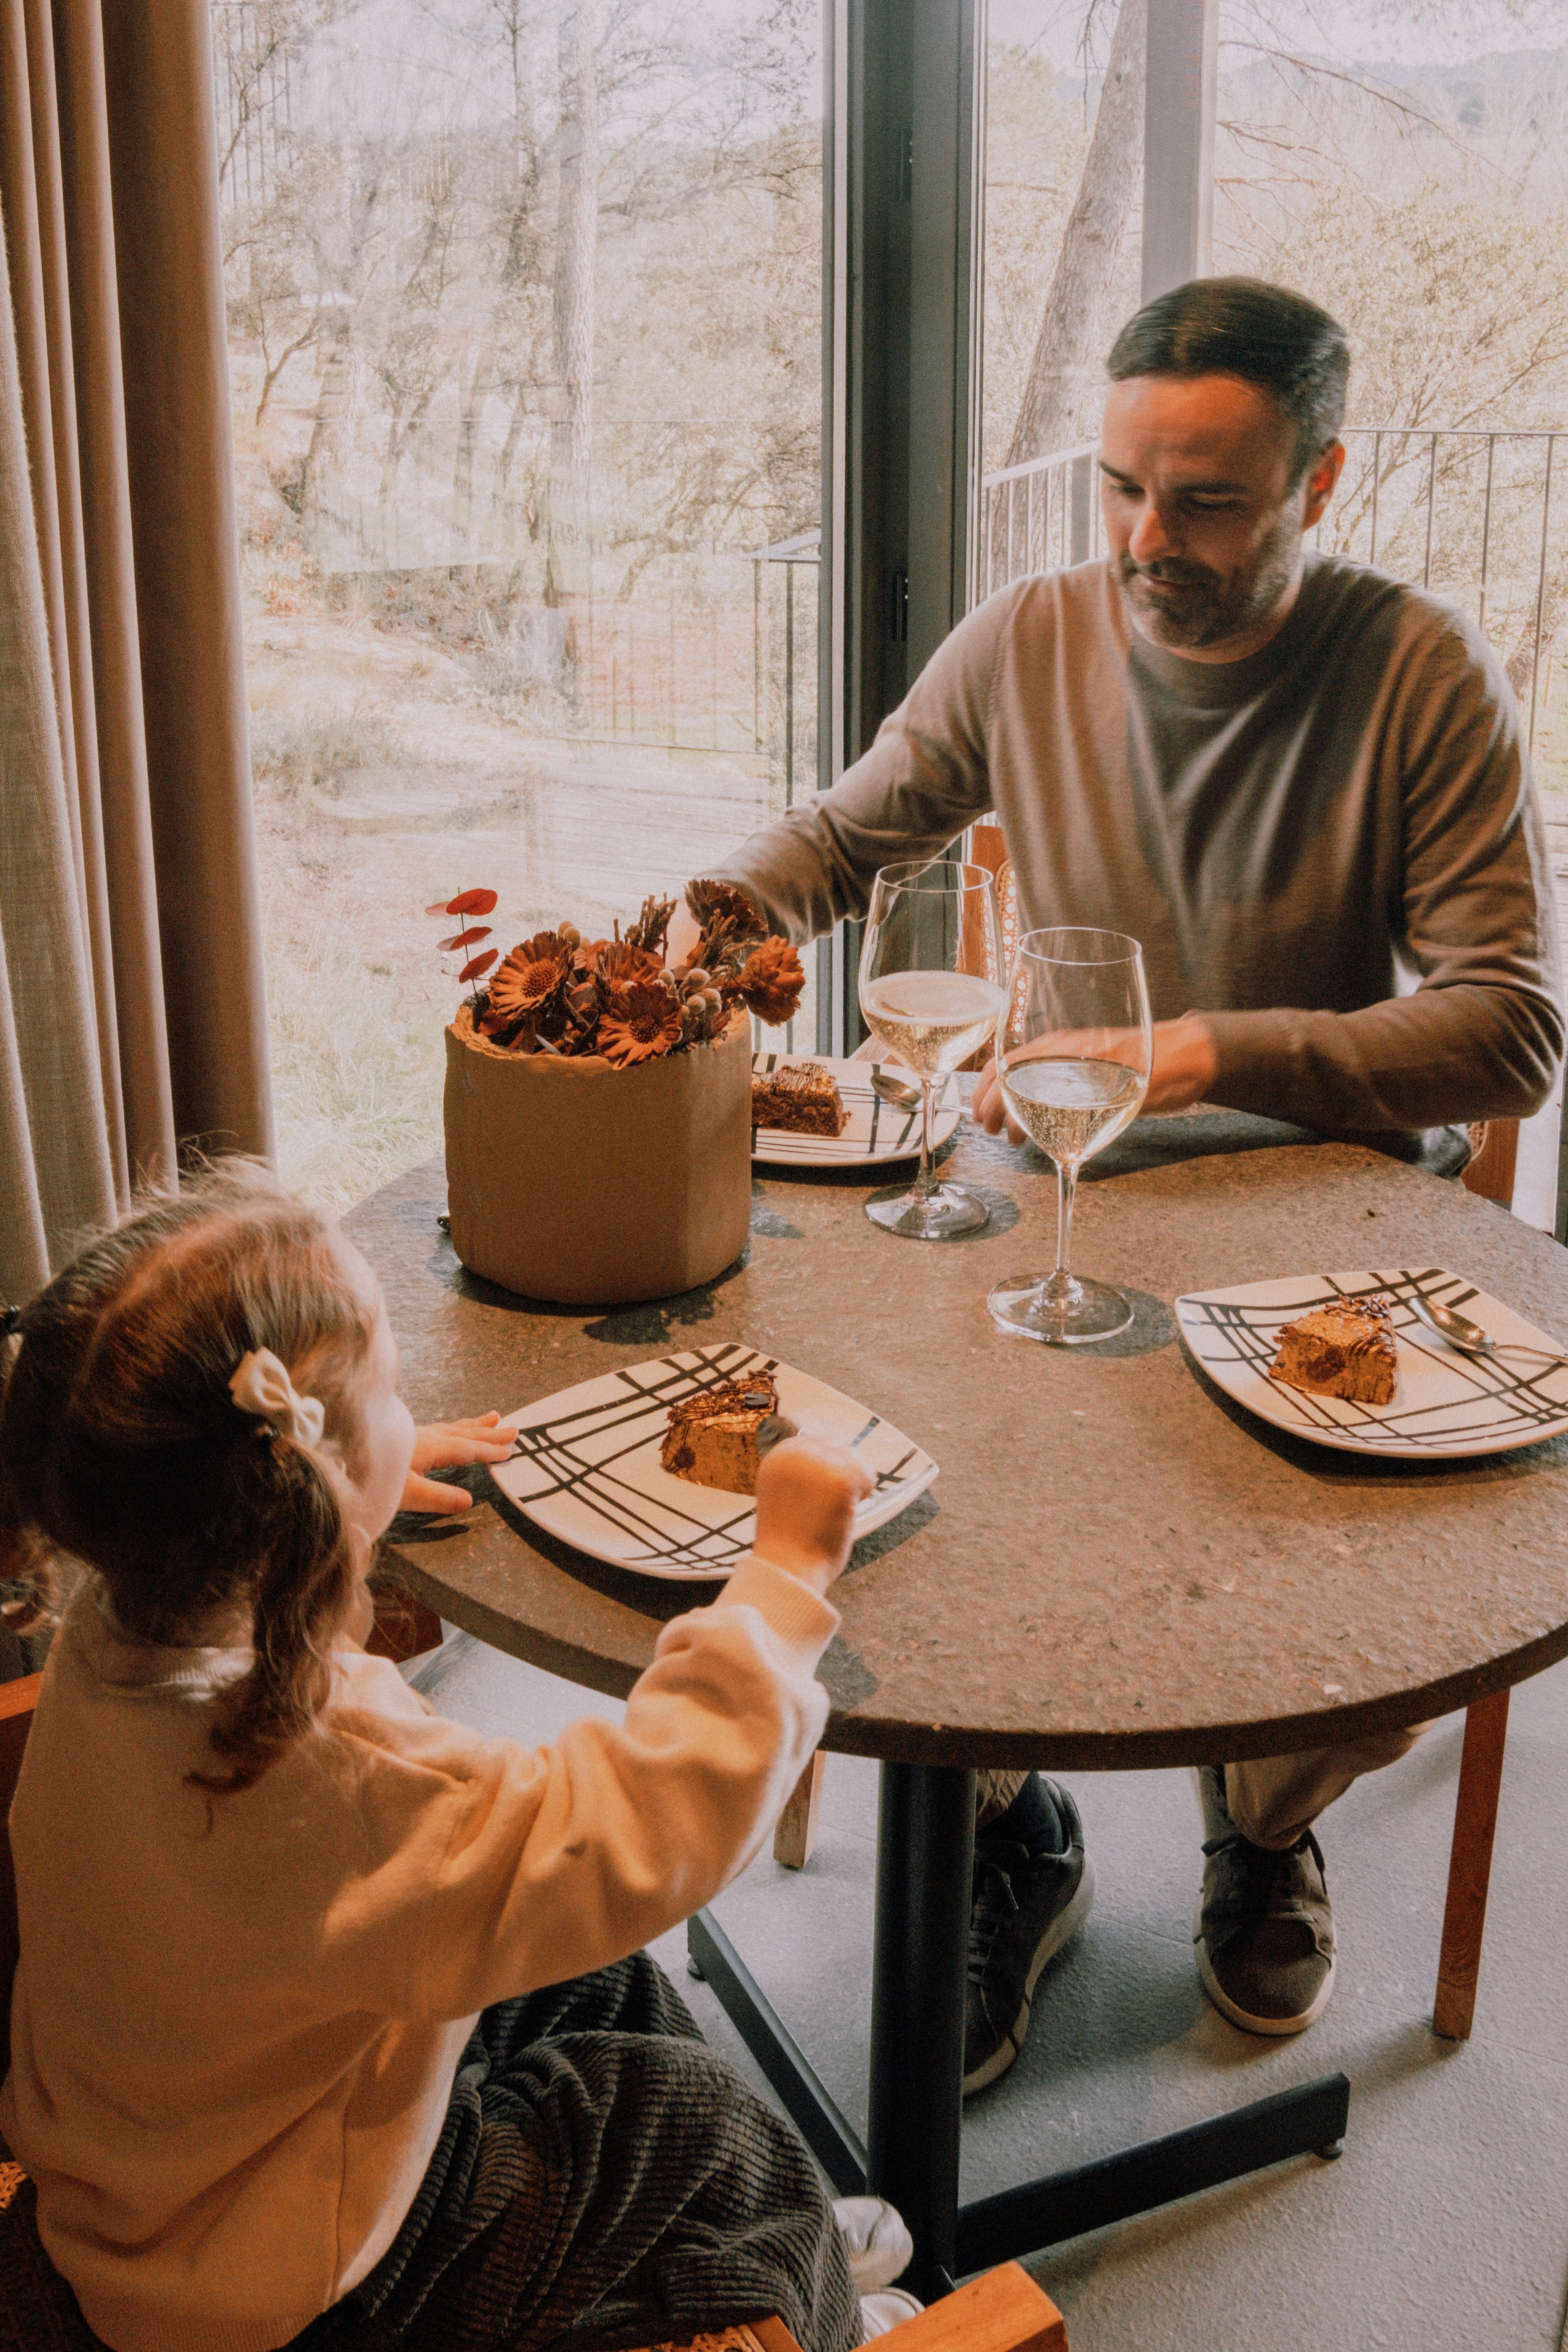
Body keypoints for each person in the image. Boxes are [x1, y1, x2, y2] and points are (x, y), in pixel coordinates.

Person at [695, 276, 1563, 2084]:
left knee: (1400, 1594)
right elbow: (845, 841)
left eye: (1207, 502)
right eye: (1120, 488)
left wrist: (1213, 1051)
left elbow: (1514, 1029)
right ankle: (1012, 1821)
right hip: (1051, 1197)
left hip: (1325, 1225)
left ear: (1318, 482)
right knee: (885, 1483)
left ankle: (1264, 1816)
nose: (1145, 540)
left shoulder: (1419, 671)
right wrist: (707, 921)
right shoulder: (1027, 638)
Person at [0, 1166, 920, 2352]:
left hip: (180, 2147)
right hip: (294, 2274)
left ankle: (767, 2232)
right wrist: (784, 1579)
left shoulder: (108, 1632)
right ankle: (823, 2309)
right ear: (293, 1474)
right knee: (682, 2117)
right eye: (388, 1393)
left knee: (602, 1984)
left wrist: (355, 1474)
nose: (404, 1408)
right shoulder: (329, 1768)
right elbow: (631, 1828)